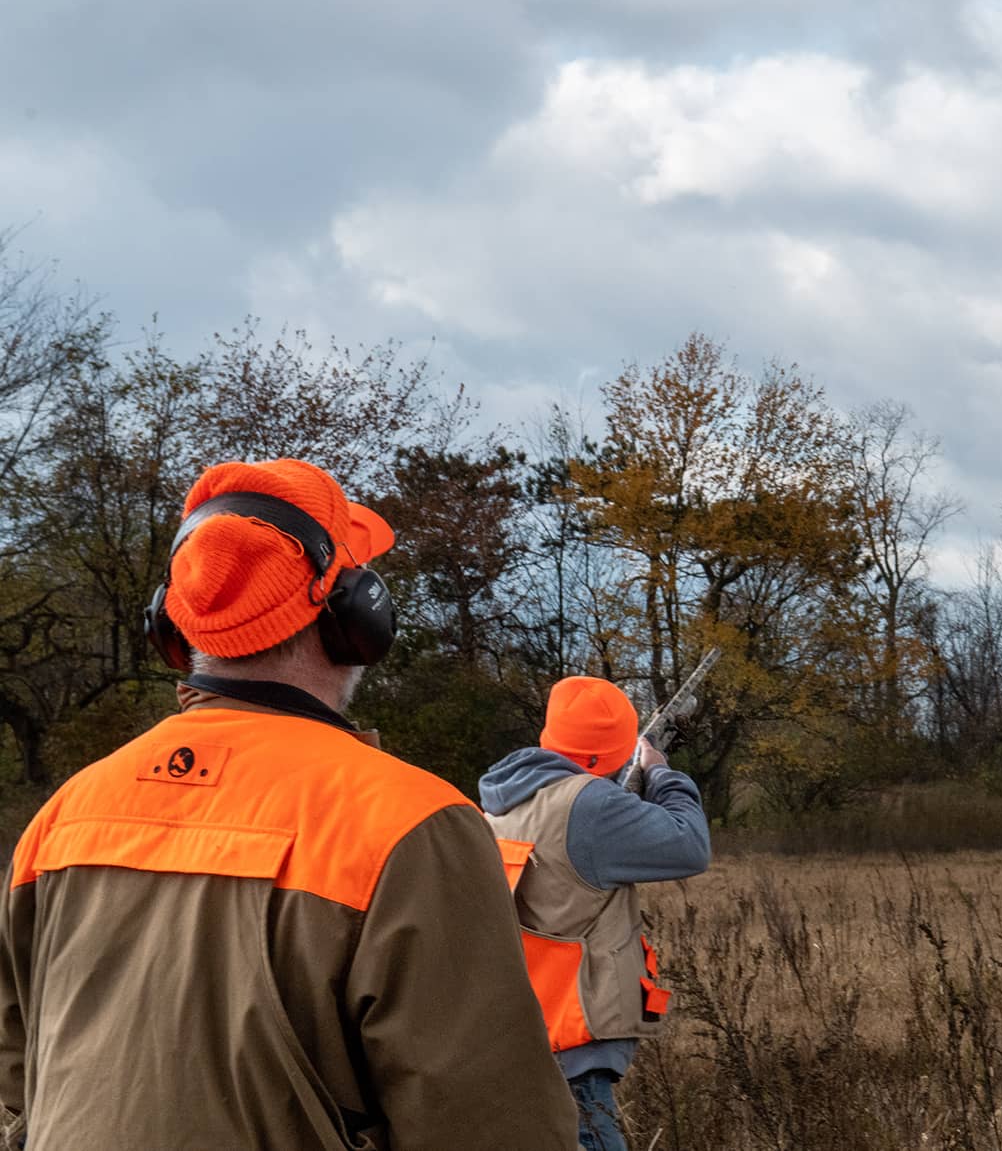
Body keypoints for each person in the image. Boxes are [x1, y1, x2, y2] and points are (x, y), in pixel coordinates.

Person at [0, 458, 577, 1150]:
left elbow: (20, 1075)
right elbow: (492, 1126)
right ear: (355, 617)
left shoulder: (63, 817)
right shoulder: (410, 823)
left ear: (176, 626)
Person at [480, 675, 712, 1151]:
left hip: (524, 1028)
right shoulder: (589, 807)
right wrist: (662, 772)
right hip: (574, 1038)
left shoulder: (506, 799)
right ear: (613, 752)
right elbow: (690, 845)